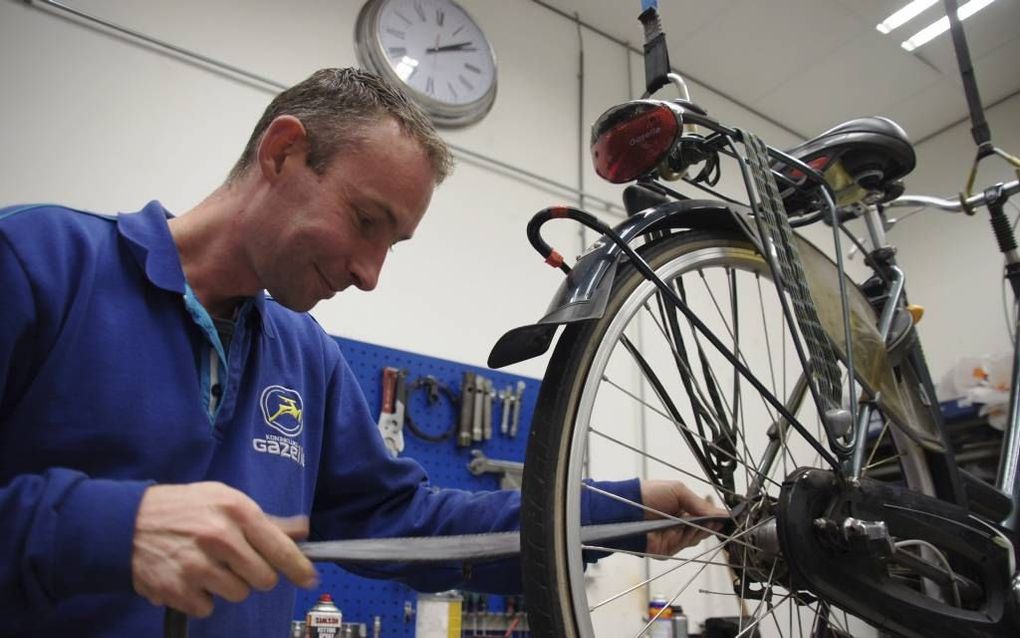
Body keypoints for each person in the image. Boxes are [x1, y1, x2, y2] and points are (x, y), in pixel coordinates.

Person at [0, 68, 723, 636]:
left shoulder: (304, 356)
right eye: (365, 220)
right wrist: (108, 529)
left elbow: (411, 524)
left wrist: (610, 513)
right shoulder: (38, 262)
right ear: (283, 152)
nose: (369, 274)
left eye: (392, 244)